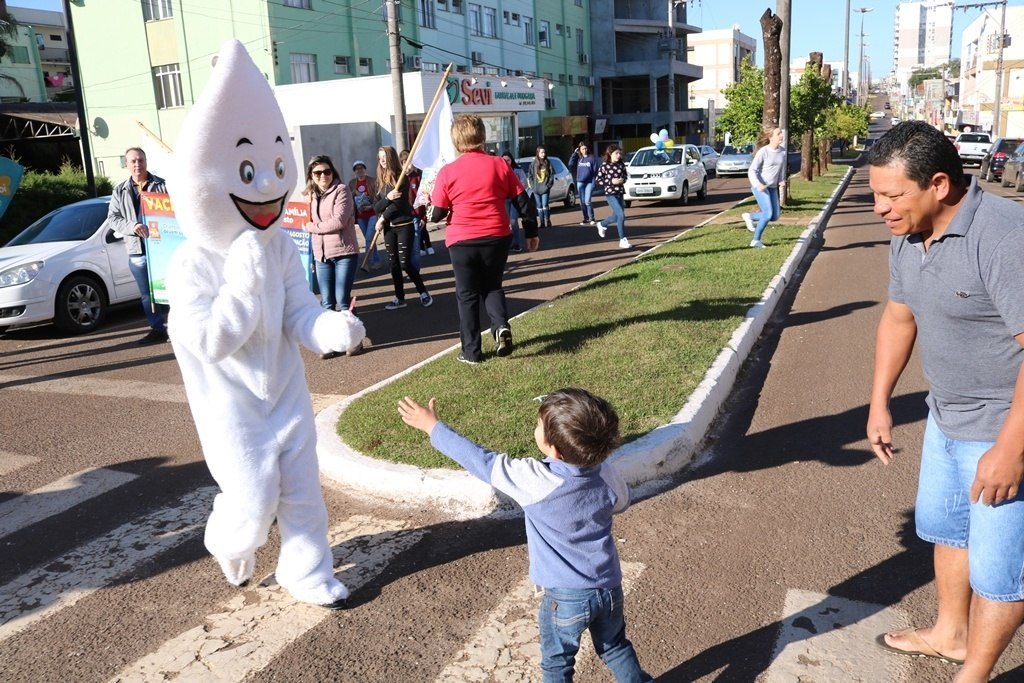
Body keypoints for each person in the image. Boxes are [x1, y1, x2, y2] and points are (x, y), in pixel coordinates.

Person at [866, 120, 1024, 682]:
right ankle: (951, 634)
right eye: (875, 194)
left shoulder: (1003, 236)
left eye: (891, 195)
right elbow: (899, 316)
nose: (880, 207)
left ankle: (974, 674)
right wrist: (879, 401)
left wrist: (1011, 450)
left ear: (938, 184)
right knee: (946, 530)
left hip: (1006, 428)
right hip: (946, 418)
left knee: (1002, 571)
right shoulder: (907, 234)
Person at [397, 388, 652, 683]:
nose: (536, 428)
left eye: (538, 426)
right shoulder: (606, 473)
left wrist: (433, 427)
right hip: (609, 587)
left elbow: (482, 461)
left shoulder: (536, 480)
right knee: (615, 646)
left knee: (557, 664)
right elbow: (622, 502)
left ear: (555, 450)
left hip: (565, 597)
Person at [428, 114, 538, 365]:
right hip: (496, 236)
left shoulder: (448, 171)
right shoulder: (499, 164)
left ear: (456, 140)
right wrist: (531, 232)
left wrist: (430, 208)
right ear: (482, 136)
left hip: (462, 239)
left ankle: (472, 352)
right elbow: (524, 202)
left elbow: (437, 213)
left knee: (466, 295)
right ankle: (500, 326)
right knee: (492, 285)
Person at [301, 154, 362, 359]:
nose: (323, 176)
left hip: (344, 252)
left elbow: (339, 221)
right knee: (326, 302)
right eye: (317, 173)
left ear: (332, 172)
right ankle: (329, 343)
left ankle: (354, 340)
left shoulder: (342, 190)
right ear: (311, 175)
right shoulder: (310, 196)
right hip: (321, 254)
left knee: (342, 300)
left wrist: (312, 228)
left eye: (327, 171)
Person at [107, 147, 169, 345]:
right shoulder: (120, 190)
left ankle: (178, 327)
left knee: (170, 290)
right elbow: (113, 219)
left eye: (140, 160)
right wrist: (133, 226)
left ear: (146, 161)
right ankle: (158, 329)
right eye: (133, 161)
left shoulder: (162, 186)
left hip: (162, 249)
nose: (137, 164)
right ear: (127, 164)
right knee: (147, 295)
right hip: (137, 251)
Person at [373, 145, 433, 311]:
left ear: (391, 157)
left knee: (405, 263)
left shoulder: (401, 177)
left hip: (404, 224)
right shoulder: (379, 179)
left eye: (384, 157)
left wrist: (383, 217)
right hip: (389, 229)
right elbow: (376, 206)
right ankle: (399, 297)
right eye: (380, 157)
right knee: (393, 265)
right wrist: (387, 197)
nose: (382, 160)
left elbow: (398, 205)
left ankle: (423, 292)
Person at [741, 126, 787, 249]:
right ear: (770, 137)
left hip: (772, 187)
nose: (781, 136)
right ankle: (756, 241)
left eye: (781, 133)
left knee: (775, 216)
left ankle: (750, 216)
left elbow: (781, 168)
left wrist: (781, 179)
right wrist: (757, 184)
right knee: (767, 214)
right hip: (760, 187)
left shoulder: (782, 151)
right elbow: (752, 170)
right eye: (778, 134)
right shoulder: (764, 152)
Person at [398, 149, 434, 263]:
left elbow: (424, 198)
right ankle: (420, 249)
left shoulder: (418, 178)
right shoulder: (399, 179)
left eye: (410, 163)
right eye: (404, 163)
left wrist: (424, 216)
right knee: (414, 234)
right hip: (406, 214)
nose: (407, 167)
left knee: (420, 231)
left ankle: (427, 246)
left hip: (418, 212)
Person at [594, 144, 630, 249]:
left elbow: (625, 176)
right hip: (610, 193)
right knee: (621, 215)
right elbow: (598, 180)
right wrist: (611, 181)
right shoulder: (604, 166)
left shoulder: (621, 164)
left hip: (620, 192)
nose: (618, 155)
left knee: (616, 216)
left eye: (620, 153)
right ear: (610, 154)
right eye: (616, 153)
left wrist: (622, 180)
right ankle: (622, 239)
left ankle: (601, 224)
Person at [348, 160, 381, 270]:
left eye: (361, 168)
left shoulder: (372, 181)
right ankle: (376, 261)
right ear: (354, 171)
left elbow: (378, 197)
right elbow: (348, 198)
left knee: (368, 238)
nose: (359, 170)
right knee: (370, 239)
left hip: (372, 213)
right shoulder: (352, 183)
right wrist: (353, 192)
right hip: (361, 216)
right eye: (357, 168)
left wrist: (371, 206)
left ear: (365, 169)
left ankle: (367, 263)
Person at [500, 152, 527, 252]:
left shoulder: (518, 171)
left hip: (515, 198)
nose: (506, 162)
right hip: (505, 199)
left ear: (511, 160)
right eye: (504, 160)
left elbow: (524, 183)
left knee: (513, 221)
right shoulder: (500, 172)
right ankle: (511, 243)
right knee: (507, 222)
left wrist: (516, 190)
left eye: (508, 160)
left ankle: (517, 244)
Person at [569, 141, 599, 225]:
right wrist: (574, 154)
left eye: (585, 148)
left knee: (587, 201)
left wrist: (594, 182)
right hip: (580, 182)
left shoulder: (592, 158)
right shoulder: (578, 158)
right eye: (582, 149)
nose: (584, 150)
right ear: (580, 150)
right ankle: (585, 218)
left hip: (589, 182)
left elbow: (595, 170)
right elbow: (570, 163)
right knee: (582, 202)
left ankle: (591, 218)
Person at [528, 146, 555, 228]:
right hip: (536, 188)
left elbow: (551, 175)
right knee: (539, 206)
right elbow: (530, 176)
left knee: (544, 205)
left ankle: (547, 220)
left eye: (544, 152)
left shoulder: (548, 162)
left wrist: (548, 186)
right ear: (538, 153)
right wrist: (533, 186)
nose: (543, 154)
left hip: (545, 188)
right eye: (541, 152)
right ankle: (541, 222)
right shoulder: (533, 164)